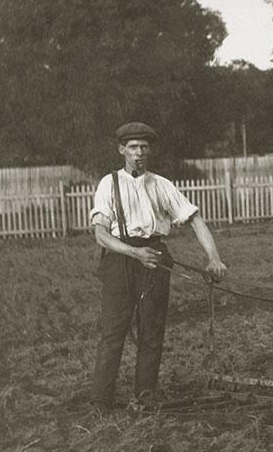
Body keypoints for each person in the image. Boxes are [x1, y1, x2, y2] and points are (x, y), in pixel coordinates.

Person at [88, 121, 227, 408]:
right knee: (114, 333)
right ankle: (101, 401)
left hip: (156, 259)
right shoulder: (109, 183)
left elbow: (195, 220)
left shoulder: (162, 185)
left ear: (150, 150)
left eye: (144, 147)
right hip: (120, 260)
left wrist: (214, 258)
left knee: (152, 332)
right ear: (122, 150)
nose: (139, 153)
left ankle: (145, 395)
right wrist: (134, 253)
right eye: (133, 147)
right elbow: (100, 234)